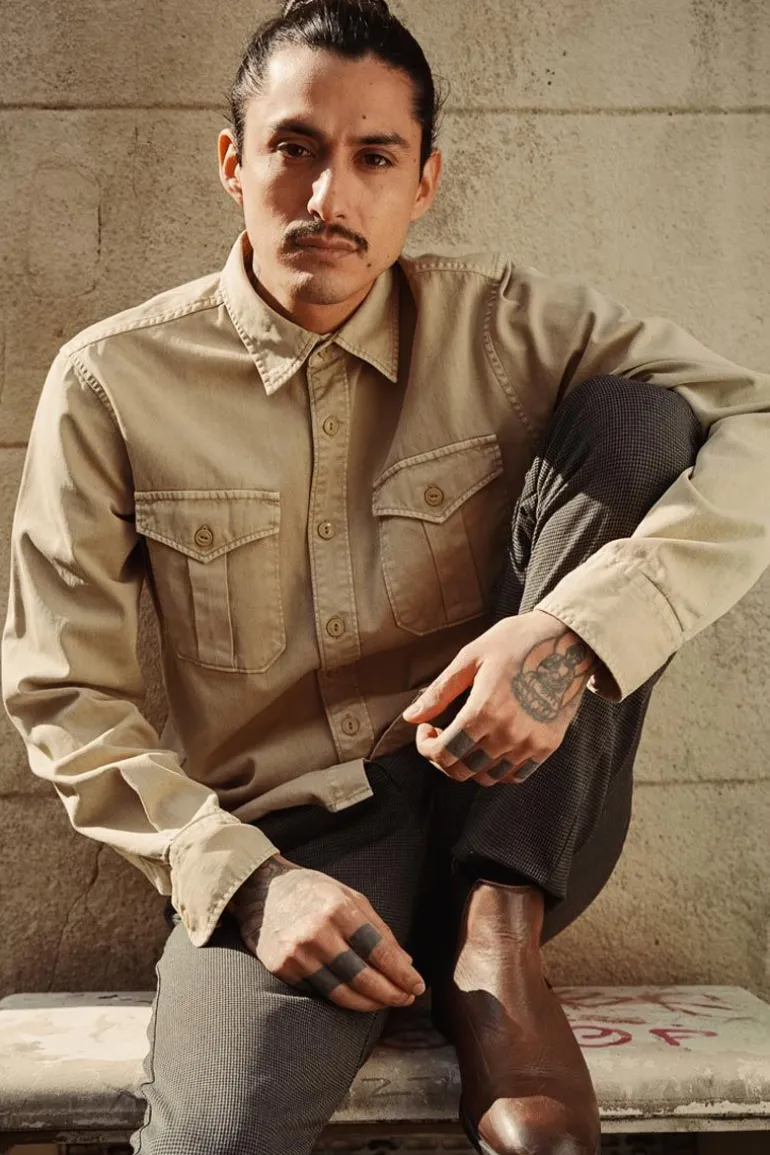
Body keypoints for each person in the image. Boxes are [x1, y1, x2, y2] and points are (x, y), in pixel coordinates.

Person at [3, 0, 769, 1152]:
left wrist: (570, 631)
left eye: (373, 157)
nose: (328, 195)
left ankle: (497, 935)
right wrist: (249, 887)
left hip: (512, 804)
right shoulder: (113, 382)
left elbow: (752, 419)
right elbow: (66, 697)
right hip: (288, 847)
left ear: (423, 182)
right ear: (233, 163)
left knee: (640, 423)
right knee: (217, 1135)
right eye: (294, 148)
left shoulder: (506, 324)